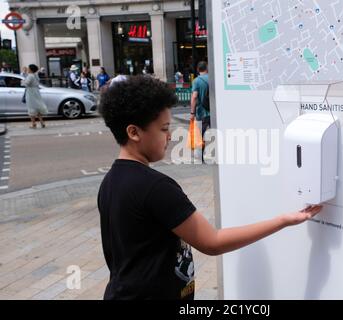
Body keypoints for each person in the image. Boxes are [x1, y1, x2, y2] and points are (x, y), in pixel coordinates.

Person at [97, 75, 322, 300]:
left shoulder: (110, 182)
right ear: (133, 132)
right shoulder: (155, 187)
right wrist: (283, 220)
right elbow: (212, 242)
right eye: (163, 128)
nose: (170, 136)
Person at [190, 61, 210, 162]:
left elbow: (194, 97)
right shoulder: (212, 79)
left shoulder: (196, 81)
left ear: (198, 70)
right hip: (213, 112)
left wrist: (192, 113)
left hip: (201, 113)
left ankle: (200, 158)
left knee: (200, 136)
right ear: (207, 68)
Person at [21, 64, 48, 129]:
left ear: (31, 69)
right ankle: (42, 122)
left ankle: (34, 124)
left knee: (31, 107)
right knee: (37, 107)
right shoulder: (35, 75)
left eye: (28, 68)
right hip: (36, 92)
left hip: (30, 93)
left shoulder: (30, 76)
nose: (27, 69)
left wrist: (22, 81)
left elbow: (26, 84)